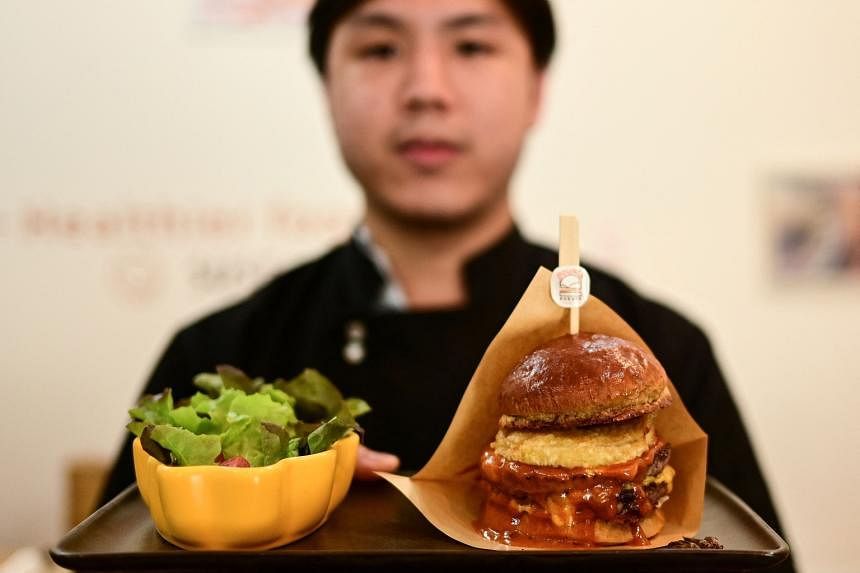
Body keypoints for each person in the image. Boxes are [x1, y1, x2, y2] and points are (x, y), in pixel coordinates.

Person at [100, 1, 793, 568]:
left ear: (537, 89)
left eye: (471, 46)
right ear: (326, 86)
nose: (427, 89)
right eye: (379, 49)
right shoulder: (221, 353)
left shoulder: (659, 344)